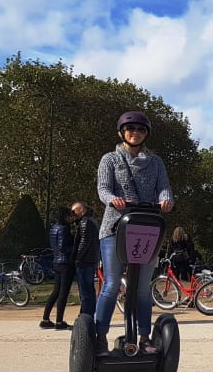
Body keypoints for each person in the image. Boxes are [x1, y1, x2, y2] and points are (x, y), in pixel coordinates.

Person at [94, 112, 174, 355]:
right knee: (111, 284)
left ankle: (143, 337)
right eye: (130, 129)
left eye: (139, 129)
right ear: (122, 132)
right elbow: (103, 188)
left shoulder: (155, 162)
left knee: (141, 287)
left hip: (147, 227)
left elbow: (164, 187)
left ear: (145, 134)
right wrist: (113, 200)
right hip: (114, 228)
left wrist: (166, 200)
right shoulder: (110, 159)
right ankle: (99, 336)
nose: (134, 132)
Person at [40, 206, 75, 330]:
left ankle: (45, 319)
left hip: (56, 261)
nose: (70, 218)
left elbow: (56, 246)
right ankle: (59, 322)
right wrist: (74, 250)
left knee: (56, 292)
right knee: (63, 293)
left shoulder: (53, 228)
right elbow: (63, 247)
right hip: (65, 263)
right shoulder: (64, 228)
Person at [71, 202, 99, 316]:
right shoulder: (91, 221)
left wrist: (77, 258)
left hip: (85, 260)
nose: (73, 214)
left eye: (74, 211)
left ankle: (86, 313)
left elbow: (84, 242)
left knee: (85, 290)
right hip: (91, 259)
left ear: (82, 210)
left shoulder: (85, 222)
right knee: (90, 288)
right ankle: (89, 312)